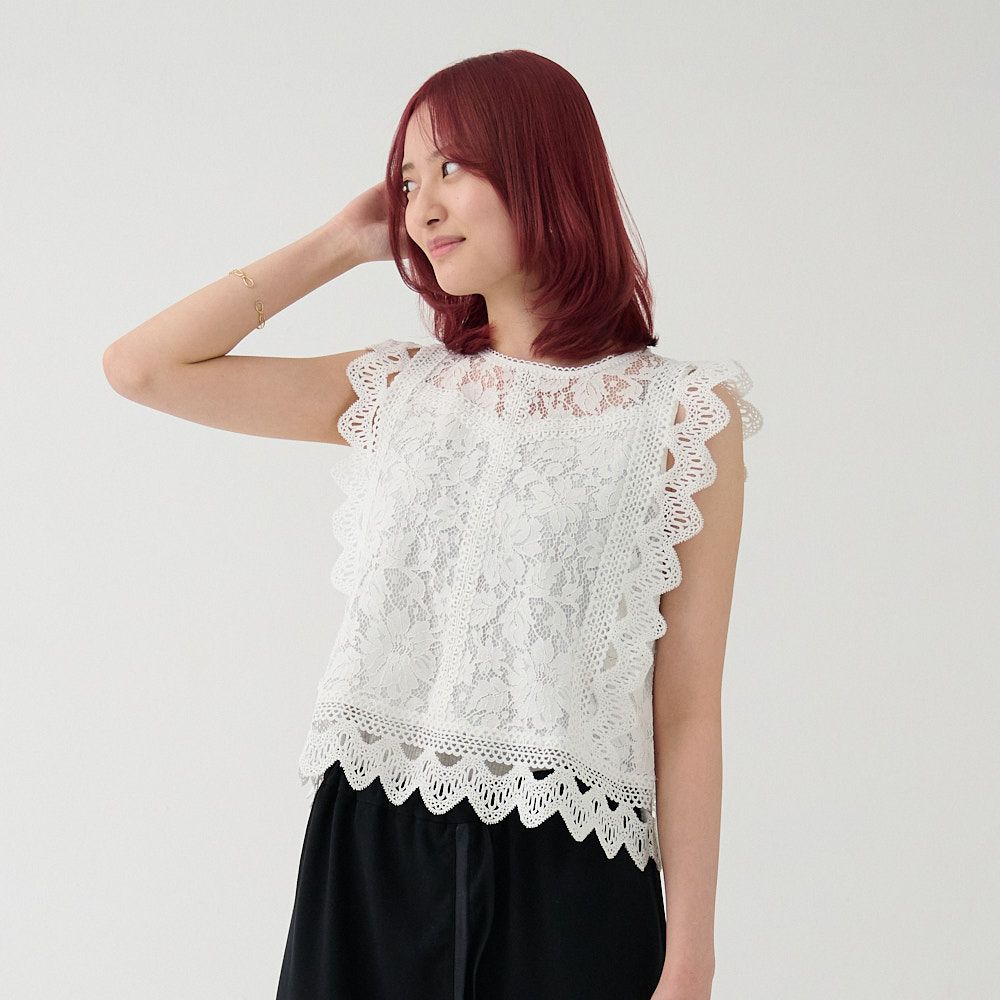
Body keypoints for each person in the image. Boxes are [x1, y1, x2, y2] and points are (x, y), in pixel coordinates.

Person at [102, 49, 762, 1000]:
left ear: (542, 166)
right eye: (408, 182)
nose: (421, 208)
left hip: (571, 863)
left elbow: (688, 705)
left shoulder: (683, 416)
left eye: (451, 166)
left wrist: (690, 958)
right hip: (372, 850)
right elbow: (142, 368)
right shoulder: (401, 392)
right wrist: (339, 241)